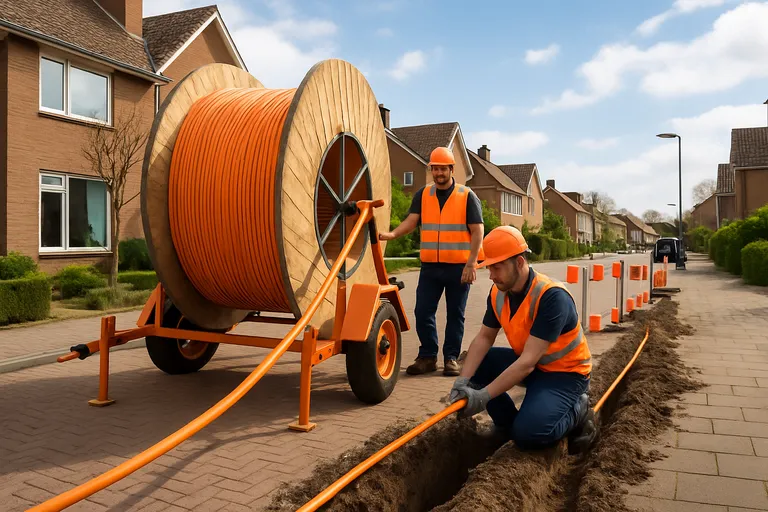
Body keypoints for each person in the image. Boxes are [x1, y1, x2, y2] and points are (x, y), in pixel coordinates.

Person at [448, 226, 596, 453]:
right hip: (534, 366)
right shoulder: (498, 292)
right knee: (477, 363)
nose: (491, 275)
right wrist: (462, 381)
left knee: (529, 434)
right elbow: (484, 338)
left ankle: (580, 409)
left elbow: (526, 363)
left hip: (565, 375)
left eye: (497, 267)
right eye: (489, 267)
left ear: (519, 262)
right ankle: (506, 425)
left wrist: (483, 396)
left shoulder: (551, 297)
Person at [379, 146, 484, 377]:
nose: (438, 173)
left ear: (451, 169)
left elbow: (478, 231)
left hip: (459, 267)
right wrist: (393, 234)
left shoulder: (467, 196)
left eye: (442, 169)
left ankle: (451, 358)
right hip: (430, 267)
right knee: (423, 311)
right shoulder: (423, 194)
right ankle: (427, 356)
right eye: (434, 168)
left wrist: (471, 264)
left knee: (455, 314)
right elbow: (412, 221)